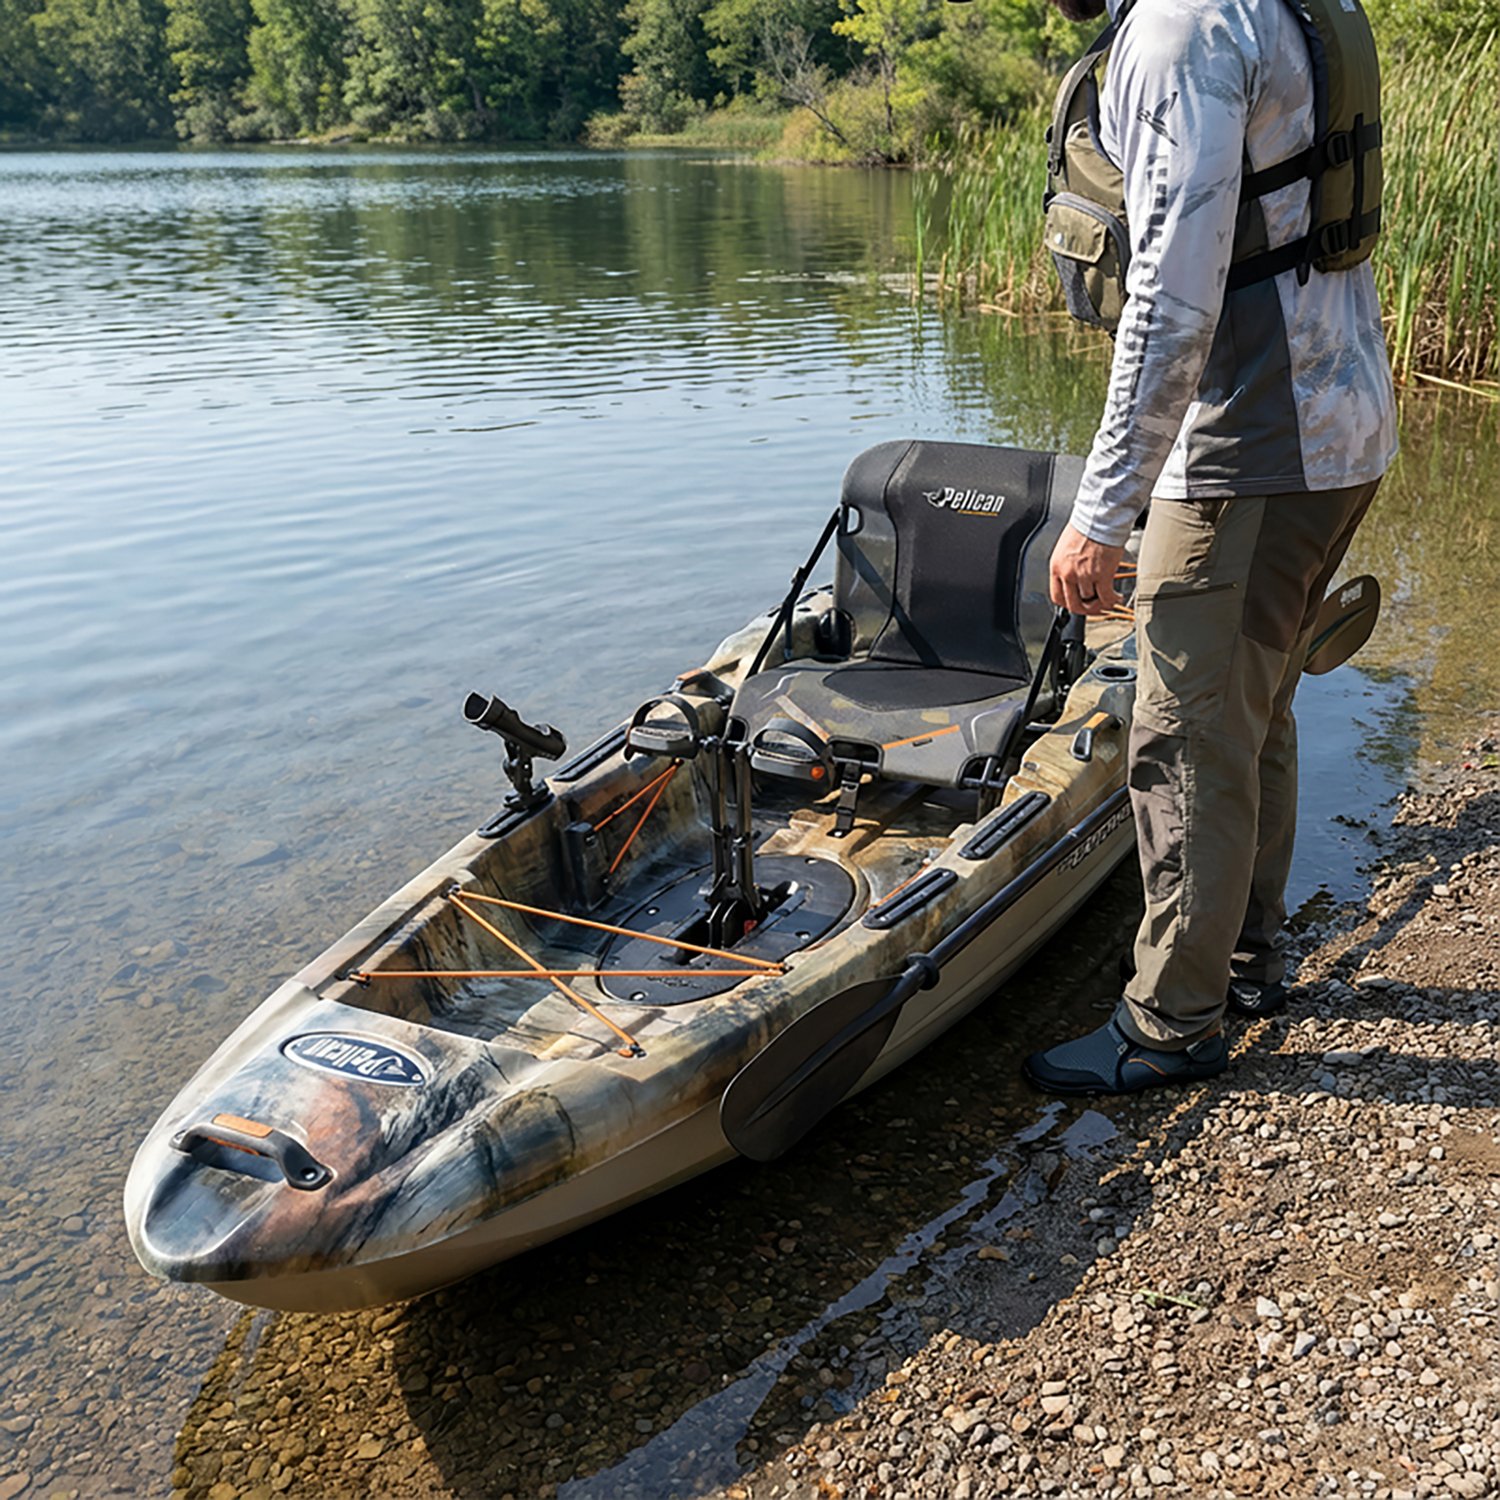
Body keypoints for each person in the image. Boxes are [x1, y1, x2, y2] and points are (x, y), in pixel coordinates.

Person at [1023, 0, 1398, 1095]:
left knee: (1183, 736)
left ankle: (1168, 1026)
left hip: (1251, 449)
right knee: (1255, 701)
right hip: (1342, 423)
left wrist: (1102, 511)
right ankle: (1241, 961)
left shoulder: (1179, 33)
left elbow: (1169, 304)